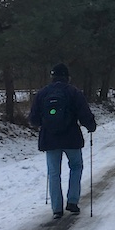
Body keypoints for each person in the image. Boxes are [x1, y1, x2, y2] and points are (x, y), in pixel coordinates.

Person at [29, 63, 97, 219]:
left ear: (52, 77)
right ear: (67, 77)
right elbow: (84, 114)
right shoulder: (74, 92)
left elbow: (33, 119)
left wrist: (45, 123)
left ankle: (56, 209)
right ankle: (72, 201)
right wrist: (91, 126)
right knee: (76, 166)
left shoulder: (42, 93)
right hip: (71, 138)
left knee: (54, 173)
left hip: (50, 139)